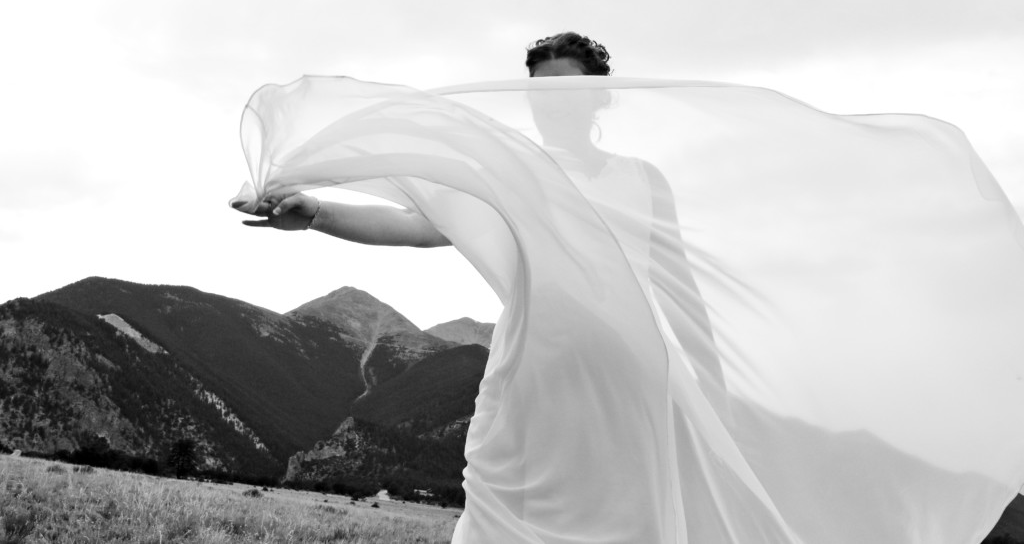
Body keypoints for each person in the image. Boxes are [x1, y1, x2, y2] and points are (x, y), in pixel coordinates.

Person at [233, 33, 1024, 543]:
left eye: (568, 89)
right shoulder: (515, 178)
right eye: (540, 89)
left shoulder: (643, 182)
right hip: (534, 385)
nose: (552, 102)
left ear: (601, 96)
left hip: (630, 389)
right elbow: (416, 223)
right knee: (507, 519)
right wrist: (320, 214)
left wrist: (709, 393)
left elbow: (680, 288)